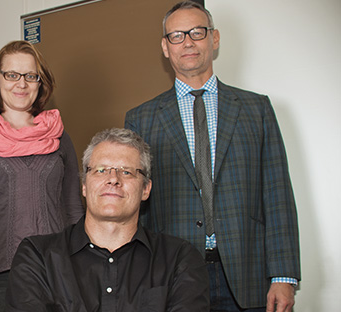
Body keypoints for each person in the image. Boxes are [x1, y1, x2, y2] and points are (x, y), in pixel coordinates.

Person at [125, 2, 301, 311]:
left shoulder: (256, 109)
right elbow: (138, 207)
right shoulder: (141, 118)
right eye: (177, 36)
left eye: (197, 32)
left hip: (251, 275)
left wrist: (284, 276)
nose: (188, 42)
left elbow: (277, 195)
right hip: (173, 276)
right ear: (165, 47)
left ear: (214, 39)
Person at [5, 128, 209, 311]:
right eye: (101, 170)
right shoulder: (38, 256)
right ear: (84, 185)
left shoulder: (180, 260)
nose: (113, 179)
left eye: (127, 172)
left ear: (145, 189)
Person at [0, 40, 84, 312]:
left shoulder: (59, 137)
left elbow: (74, 211)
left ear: (40, 82)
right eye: (12, 75)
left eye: (30, 76)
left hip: (56, 278)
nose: (21, 84)